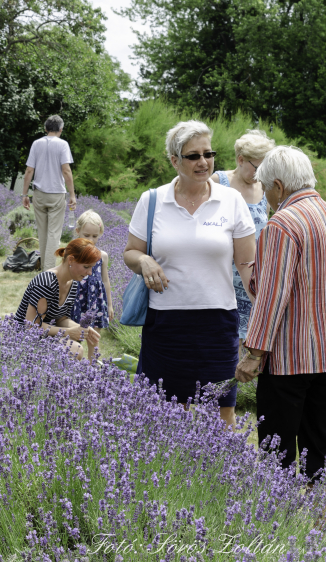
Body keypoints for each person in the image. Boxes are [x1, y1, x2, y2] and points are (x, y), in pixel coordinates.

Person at [234, 146, 326, 482]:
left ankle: (274, 517)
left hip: (289, 359)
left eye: (265, 188)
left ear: (279, 185)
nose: (265, 196)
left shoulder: (283, 224)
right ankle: (319, 515)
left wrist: (254, 353)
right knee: (317, 440)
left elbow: (272, 296)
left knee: (276, 446)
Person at [123, 120, 256, 428]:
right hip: (166, 323)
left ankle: (223, 473)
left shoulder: (232, 200)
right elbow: (130, 251)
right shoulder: (152, 200)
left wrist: (263, 317)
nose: (203, 162)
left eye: (208, 154)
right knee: (167, 411)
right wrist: (143, 261)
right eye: (193, 156)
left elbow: (248, 267)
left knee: (222, 412)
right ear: (174, 160)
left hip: (218, 323)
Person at [211, 130, 276, 343]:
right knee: (219, 334)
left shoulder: (264, 189)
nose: (261, 174)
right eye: (258, 167)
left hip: (251, 275)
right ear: (240, 160)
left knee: (246, 338)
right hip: (221, 273)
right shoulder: (218, 182)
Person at [13, 238, 102, 360]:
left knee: (85, 342)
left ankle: (94, 374)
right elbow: (31, 326)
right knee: (75, 350)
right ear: (71, 259)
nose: (90, 273)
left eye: (92, 267)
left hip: (44, 336)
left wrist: (83, 329)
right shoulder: (46, 283)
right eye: (86, 266)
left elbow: (61, 319)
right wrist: (68, 332)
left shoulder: (73, 283)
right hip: (23, 339)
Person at [21, 115, 77, 271]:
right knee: (54, 233)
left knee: (43, 232)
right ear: (61, 129)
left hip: (39, 194)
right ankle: (49, 271)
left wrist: (24, 195)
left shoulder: (36, 144)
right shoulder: (63, 145)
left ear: (45, 129)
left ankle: (44, 270)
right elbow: (66, 171)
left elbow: (29, 170)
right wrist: (72, 194)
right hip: (57, 194)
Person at [70, 210, 114, 360]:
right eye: (86, 235)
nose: (91, 239)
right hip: (77, 300)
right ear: (78, 232)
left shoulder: (102, 256)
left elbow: (105, 281)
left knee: (93, 338)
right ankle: (71, 369)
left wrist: (109, 305)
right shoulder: (72, 254)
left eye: (95, 236)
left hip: (96, 301)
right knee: (75, 336)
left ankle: (92, 371)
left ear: (100, 233)